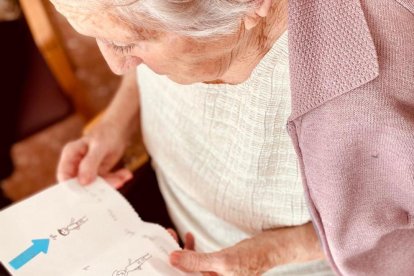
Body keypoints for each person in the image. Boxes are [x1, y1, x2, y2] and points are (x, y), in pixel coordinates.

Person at [52, 0, 414, 275]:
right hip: (182, 210)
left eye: (126, 44)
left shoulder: (380, 79)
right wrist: (118, 118)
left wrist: (274, 252)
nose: (114, 66)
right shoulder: (184, 15)